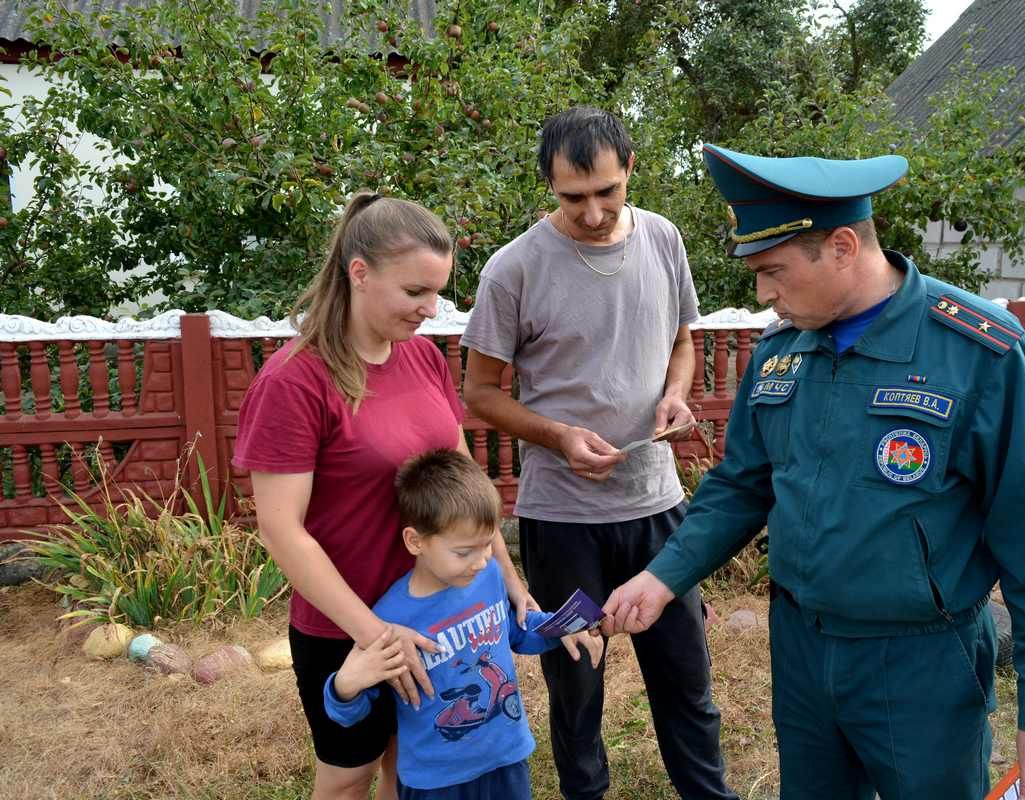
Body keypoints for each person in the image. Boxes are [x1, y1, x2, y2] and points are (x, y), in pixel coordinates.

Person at [601, 144, 1025, 800]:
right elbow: (741, 484)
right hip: (802, 652)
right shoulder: (783, 353)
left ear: (842, 247)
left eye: (773, 270)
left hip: (920, 664)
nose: (763, 293)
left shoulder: (977, 353)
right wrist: (664, 576)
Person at [461, 107, 738, 800]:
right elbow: (480, 394)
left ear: (631, 170)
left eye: (607, 192)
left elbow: (683, 339)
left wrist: (677, 393)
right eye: (572, 198)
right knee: (577, 692)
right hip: (563, 521)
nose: (592, 212)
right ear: (549, 188)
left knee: (686, 682)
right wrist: (557, 436)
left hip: (658, 508)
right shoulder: (513, 269)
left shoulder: (664, 238)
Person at [233, 192, 535, 800]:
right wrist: (374, 633)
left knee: (413, 771)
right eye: (415, 292)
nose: (431, 308)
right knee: (350, 777)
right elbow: (282, 530)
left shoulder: (423, 358)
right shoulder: (293, 381)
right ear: (360, 273)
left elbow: (464, 487)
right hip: (346, 626)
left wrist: (510, 581)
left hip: (436, 613)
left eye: (438, 291)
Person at [323, 449, 604, 799]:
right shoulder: (389, 619)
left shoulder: (488, 577)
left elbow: (515, 631)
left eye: (488, 545)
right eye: (464, 552)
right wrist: (345, 686)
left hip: (506, 760)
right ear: (416, 541)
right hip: (435, 782)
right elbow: (352, 713)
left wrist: (561, 627)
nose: (481, 561)